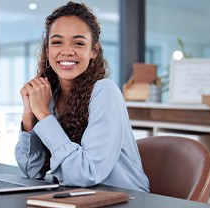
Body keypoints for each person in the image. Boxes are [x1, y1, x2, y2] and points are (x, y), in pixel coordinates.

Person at [15, 1, 149, 192]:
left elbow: (86, 173)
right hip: (79, 197)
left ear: (93, 51)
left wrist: (44, 115)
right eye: (57, 42)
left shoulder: (105, 92)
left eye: (78, 43)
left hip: (124, 199)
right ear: (47, 51)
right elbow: (32, 171)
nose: (67, 51)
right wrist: (30, 115)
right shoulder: (50, 96)